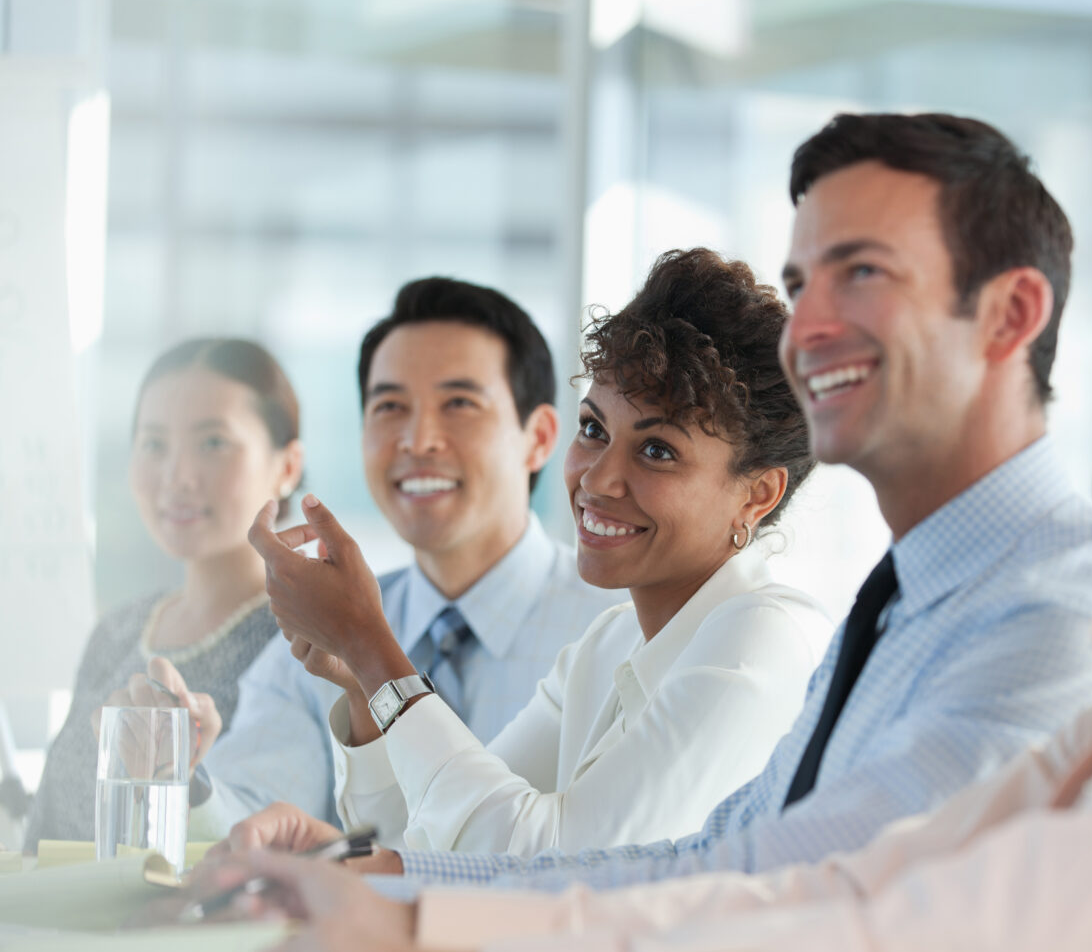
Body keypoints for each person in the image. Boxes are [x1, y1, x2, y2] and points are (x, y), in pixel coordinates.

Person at [249, 151, 1092, 952]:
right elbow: (799, 879)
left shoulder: (784, 637)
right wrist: (378, 877)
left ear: (759, 497)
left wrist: (379, 676)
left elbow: (898, 930)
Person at [242, 248, 831, 858]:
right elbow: (434, 848)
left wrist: (371, 647)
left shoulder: (764, 638)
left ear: (757, 494)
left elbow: (554, 861)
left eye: (657, 450)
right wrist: (365, 687)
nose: (598, 480)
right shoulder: (606, 647)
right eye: (595, 429)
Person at [171, 278, 622, 839]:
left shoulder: (615, 630)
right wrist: (183, 777)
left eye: (459, 403)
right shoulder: (314, 639)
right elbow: (255, 820)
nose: (417, 439)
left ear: (540, 436)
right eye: (389, 406)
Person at [23, 338, 304, 850]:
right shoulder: (118, 630)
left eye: (213, 443)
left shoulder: (304, 641)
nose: (176, 477)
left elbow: (282, 850)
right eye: (154, 444)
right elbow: (42, 835)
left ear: (287, 467)